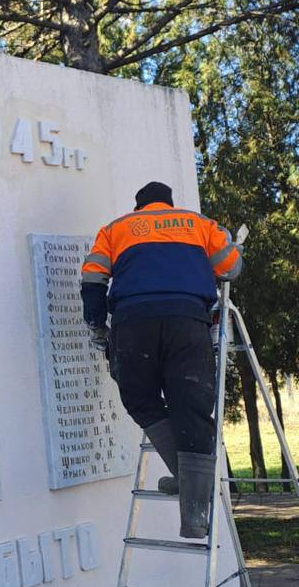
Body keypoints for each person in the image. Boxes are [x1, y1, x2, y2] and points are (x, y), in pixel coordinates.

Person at [80, 182, 243, 540]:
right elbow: (230, 268)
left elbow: (92, 277)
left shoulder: (115, 229)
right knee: (192, 406)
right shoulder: (198, 223)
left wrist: (96, 324)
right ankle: (195, 515)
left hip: (133, 324)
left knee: (140, 399)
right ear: (169, 203)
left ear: (139, 207)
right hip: (187, 323)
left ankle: (186, 482)